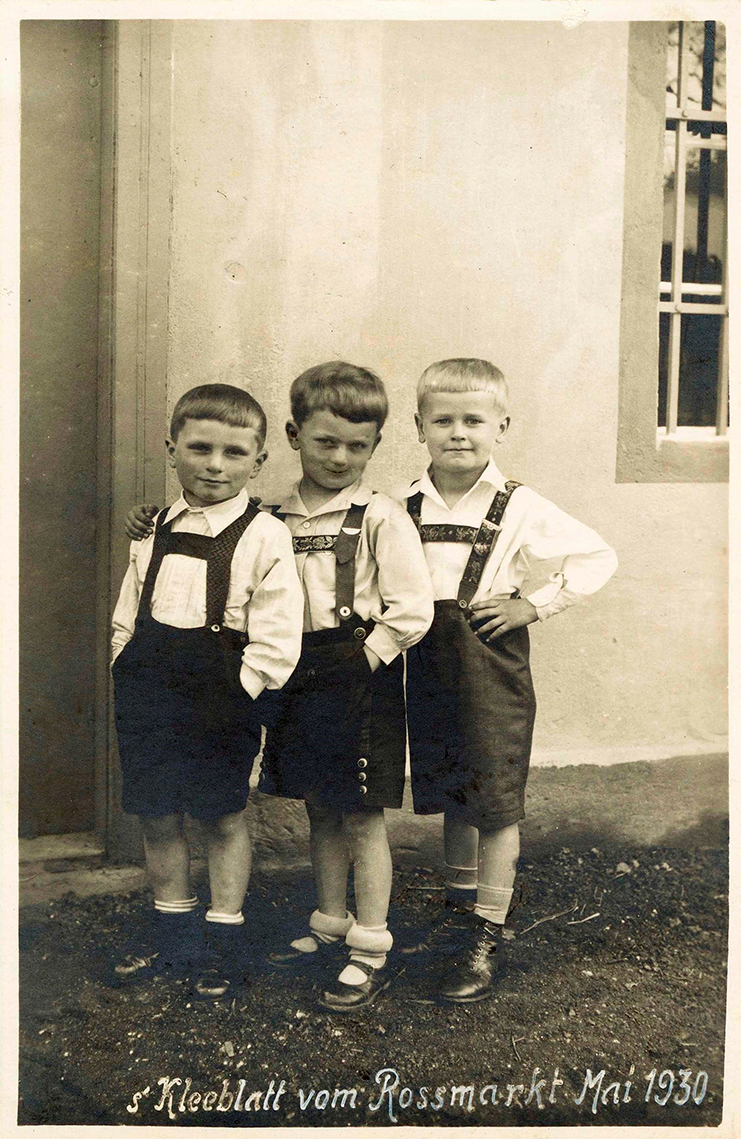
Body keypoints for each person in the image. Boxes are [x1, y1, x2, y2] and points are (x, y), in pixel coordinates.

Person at [403, 358, 618, 1004]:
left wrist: (531, 603)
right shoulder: (400, 504)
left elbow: (597, 555)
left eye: (474, 419)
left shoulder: (517, 504)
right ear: (419, 426)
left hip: (490, 664)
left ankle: (484, 930)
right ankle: (456, 907)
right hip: (430, 664)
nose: (458, 433)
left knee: (492, 795)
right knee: (450, 789)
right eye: (443, 419)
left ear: (502, 424)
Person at [111, 383, 302, 1001]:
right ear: (172, 449)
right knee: (158, 813)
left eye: (233, 453)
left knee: (220, 816)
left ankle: (223, 943)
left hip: (222, 693)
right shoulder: (155, 526)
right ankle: (175, 941)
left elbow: (277, 633)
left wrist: (241, 693)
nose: (215, 465)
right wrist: (127, 664)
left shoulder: (265, 534)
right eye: (199, 448)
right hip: (150, 689)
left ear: (259, 461)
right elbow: (128, 611)